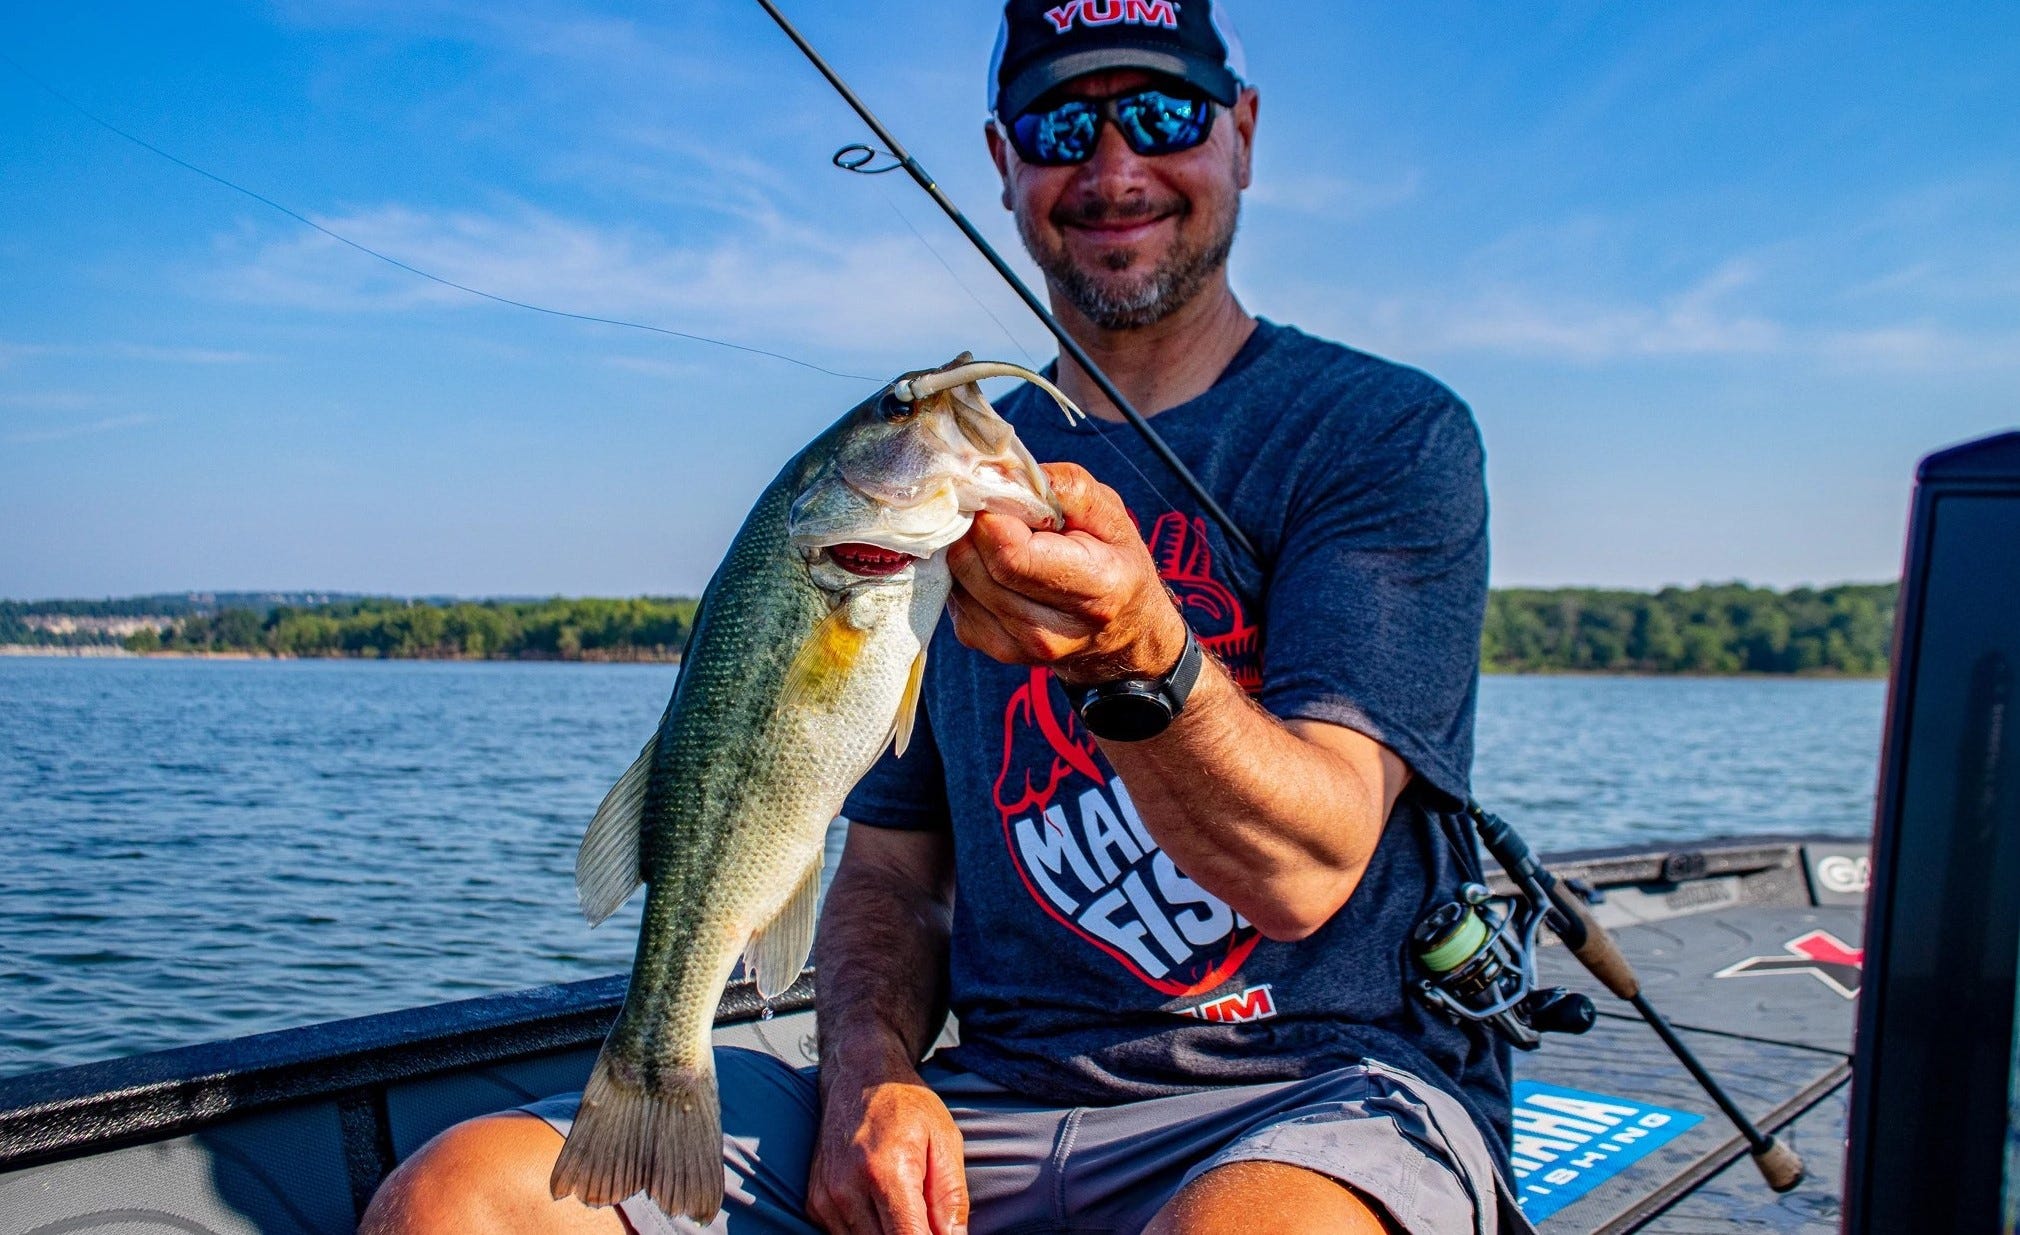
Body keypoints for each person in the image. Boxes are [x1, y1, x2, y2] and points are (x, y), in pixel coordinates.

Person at [362, 2, 1523, 1232]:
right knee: (457, 1201)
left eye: (1167, 113)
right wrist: (872, 1069)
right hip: (985, 1094)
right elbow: (894, 867)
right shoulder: (947, 509)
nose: (1116, 164)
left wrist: (1139, 649)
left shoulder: (1381, 433)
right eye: (1063, 122)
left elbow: (1312, 867)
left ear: (1240, 130)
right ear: (1001, 161)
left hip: (1307, 1094)